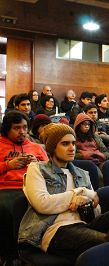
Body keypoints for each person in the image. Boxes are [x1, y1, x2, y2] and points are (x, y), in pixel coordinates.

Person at [18, 123, 109, 262]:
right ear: (52, 147)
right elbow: (42, 203)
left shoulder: (82, 173)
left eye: (73, 143)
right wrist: (79, 192)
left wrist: (86, 201)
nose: (72, 148)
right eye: (65, 144)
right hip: (55, 229)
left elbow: (96, 209)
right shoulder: (37, 169)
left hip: (84, 223)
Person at [0, 111, 48, 262]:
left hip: (34, 187)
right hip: (6, 188)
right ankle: (11, 256)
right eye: (16, 128)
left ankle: (33, 252)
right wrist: (8, 165)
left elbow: (51, 169)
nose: (22, 132)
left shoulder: (36, 147)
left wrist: (38, 164)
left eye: (25, 127)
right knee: (9, 211)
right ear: (7, 129)